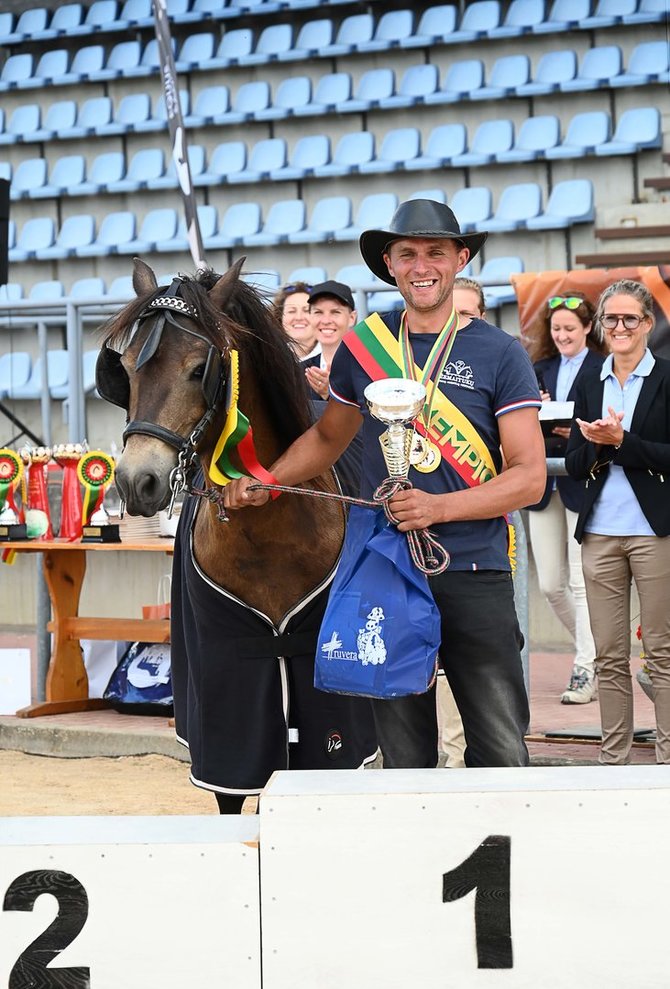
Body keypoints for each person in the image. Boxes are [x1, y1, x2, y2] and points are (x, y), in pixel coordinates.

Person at [224, 198, 546, 769]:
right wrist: (267, 479)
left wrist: (438, 509)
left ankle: (502, 856)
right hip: (387, 565)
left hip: (474, 567)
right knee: (403, 755)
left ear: (460, 259)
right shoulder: (362, 345)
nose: (422, 266)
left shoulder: (500, 352)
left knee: (500, 749)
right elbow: (328, 439)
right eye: (408, 255)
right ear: (389, 266)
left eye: (436, 253)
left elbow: (528, 477)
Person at [566, 279, 670, 765]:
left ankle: (668, 758)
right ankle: (613, 762)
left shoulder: (668, 377)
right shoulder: (588, 380)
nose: (621, 326)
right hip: (600, 533)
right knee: (609, 656)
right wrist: (596, 443)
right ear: (602, 326)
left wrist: (621, 441)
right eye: (612, 318)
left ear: (648, 323)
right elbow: (573, 459)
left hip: (655, 533)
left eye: (631, 318)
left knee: (663, 654)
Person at [526, 293, 606, 704]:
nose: (562, 336)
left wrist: (573, 431)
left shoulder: (602, 368)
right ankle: (599, 657)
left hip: (583, 481)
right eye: (556, 329)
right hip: (544, 484)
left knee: (579, 580)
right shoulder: (539, 368)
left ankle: (585, 667)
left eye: (570, 329)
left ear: (588, 329)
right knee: (551, 584)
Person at [436, 275, 487, 765]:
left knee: (468, 677)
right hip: (407, 552)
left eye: (468, 315)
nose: (458, 325)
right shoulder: (404, 370)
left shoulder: (495, 359)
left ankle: (455, 759)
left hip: (473, 553)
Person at [302, 280, 357, 400]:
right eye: (318, 312)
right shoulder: (298, 372)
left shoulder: (366, 368)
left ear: (352, 318)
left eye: (335, 312)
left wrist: (333, 394)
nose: (326, 320)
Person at [273, 281, 320, 359]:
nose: (299, 317)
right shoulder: (270, 357)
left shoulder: (334, 356)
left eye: (307, 310)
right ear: (280, 318)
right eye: (291, 311)